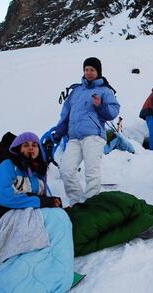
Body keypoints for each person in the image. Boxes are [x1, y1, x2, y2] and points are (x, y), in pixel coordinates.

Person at [53, 57, 120, 205]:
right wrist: (59, 133)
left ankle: (91, 205)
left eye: (92, 70)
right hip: (74, 138)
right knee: (66, 170)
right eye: (86, 69)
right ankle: (76, 203)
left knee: (91, 172)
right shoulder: (75, 91)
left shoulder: (104, 90)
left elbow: (113, 112)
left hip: (93, 136)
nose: (89, 72)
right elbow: (65, 115)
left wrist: (100, 105)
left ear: (98, 72)